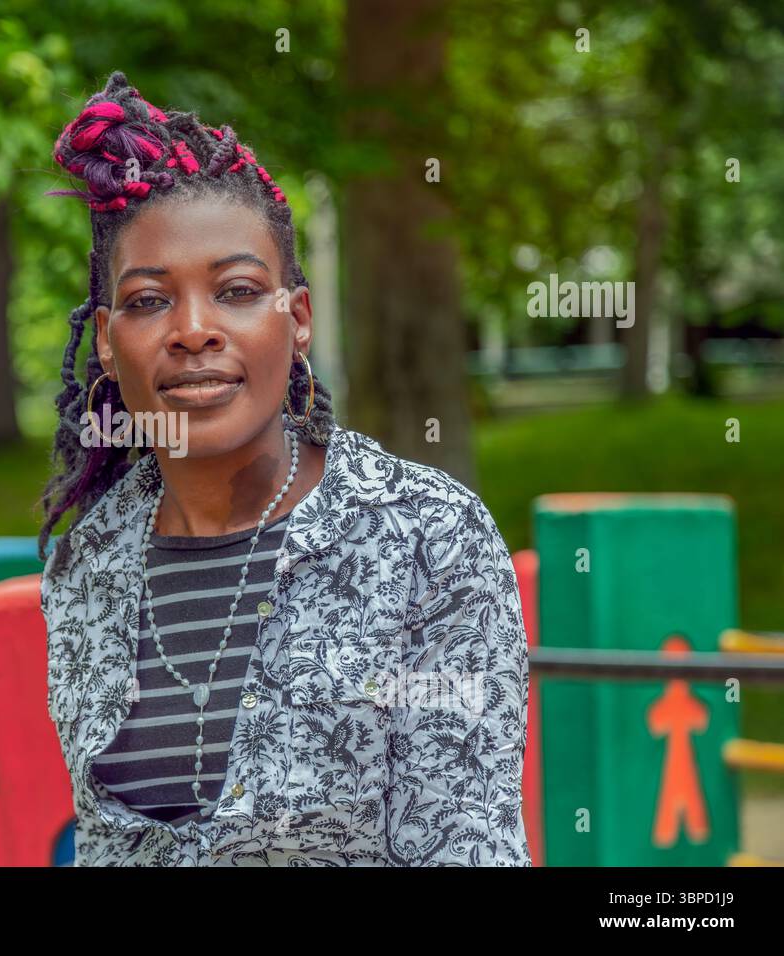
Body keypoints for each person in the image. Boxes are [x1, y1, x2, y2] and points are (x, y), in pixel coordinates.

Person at [37, 70, 531, 866]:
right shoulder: (88, 563)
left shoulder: (426, 540)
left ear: (295, 318)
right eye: (149, 301)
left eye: (236, 290)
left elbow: (463, 845)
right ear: (105, 339)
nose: (193, 330)